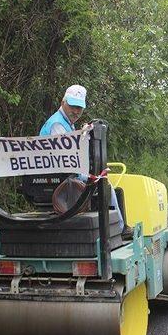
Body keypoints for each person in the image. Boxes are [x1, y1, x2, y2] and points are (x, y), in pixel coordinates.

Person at [40, 85, 129, 236]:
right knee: (105, 184)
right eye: (73, 106)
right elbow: (64, 160)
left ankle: (119, 226)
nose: (76, 111)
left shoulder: (66, 122)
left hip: (65, 173)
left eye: (79, 108)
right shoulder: (57, 124)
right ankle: (121, 229)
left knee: (109, 185)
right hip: (63, 176)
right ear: (63, 102)